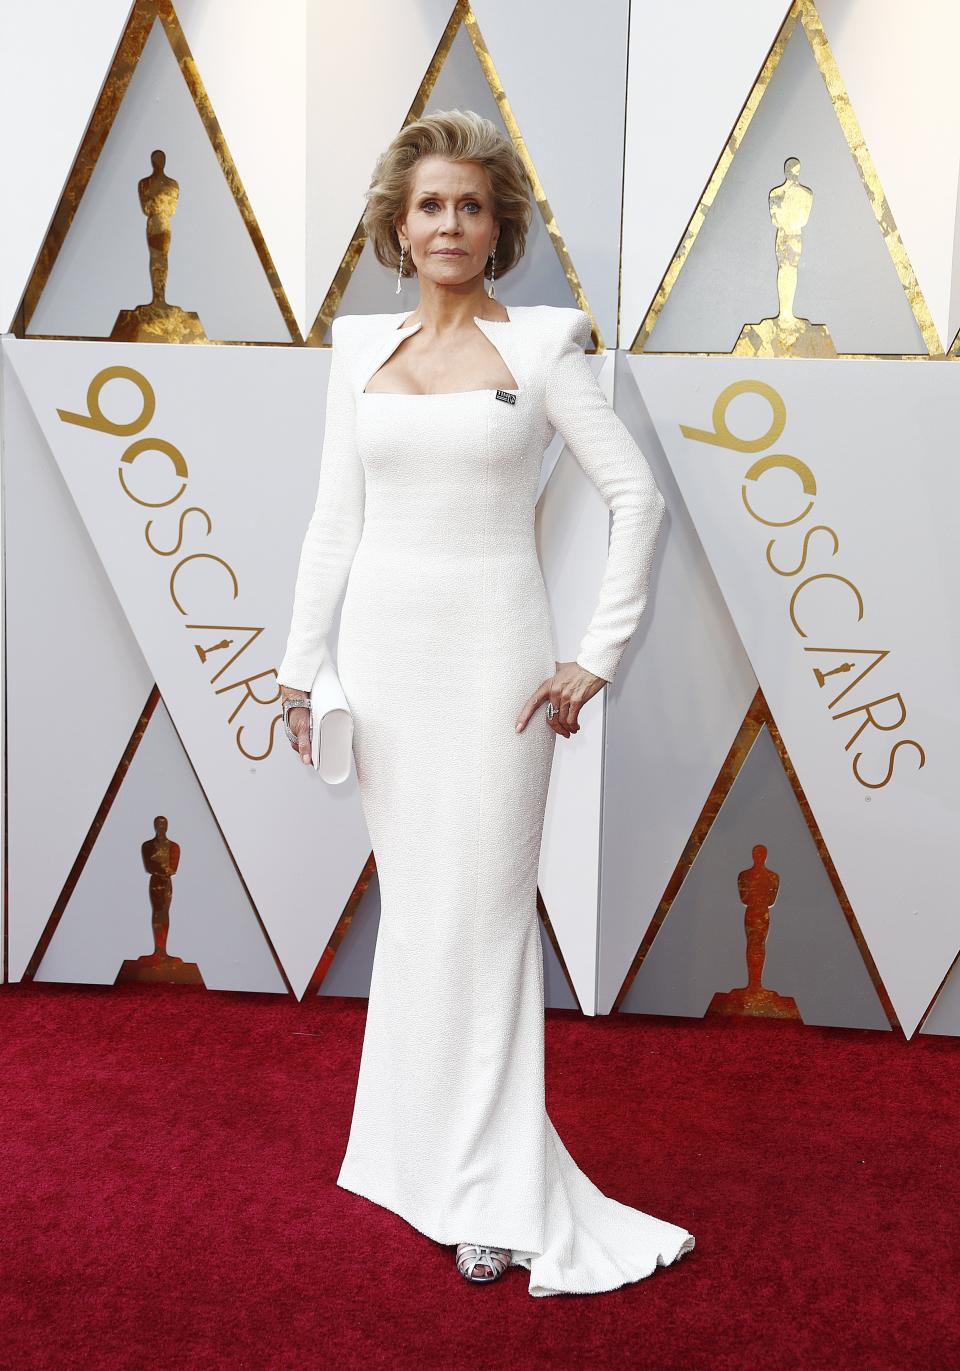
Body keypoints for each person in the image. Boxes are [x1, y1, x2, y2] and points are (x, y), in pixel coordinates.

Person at [276, 109, 695, 1296]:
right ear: (397, 228)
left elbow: (638, 502)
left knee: (490, 924)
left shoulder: (547, 346)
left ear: (497, 225)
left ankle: (500, 1195)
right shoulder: (359, 353)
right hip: (388, 664)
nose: (448, 224)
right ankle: (422, 1162)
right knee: (419, 918)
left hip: (499, 667)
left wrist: (595, 655)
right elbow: (333, 524)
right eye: (428, 206)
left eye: (469, 205)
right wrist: (300, 669)